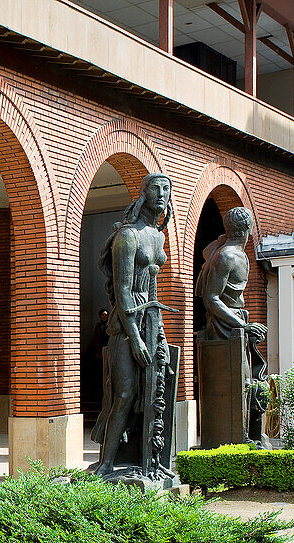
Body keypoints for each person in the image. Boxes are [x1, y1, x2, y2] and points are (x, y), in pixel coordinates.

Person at [91, 173, 177, 481]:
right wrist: (136, 337)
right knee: (124, 394)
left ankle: (151, 461)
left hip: (152, 318)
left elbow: (152, 289)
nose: (162, 194)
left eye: (167, 189)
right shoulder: (129, 235)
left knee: (157, 388)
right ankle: (105, 464)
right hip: (126, 322)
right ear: (143, 194)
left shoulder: (159, 236)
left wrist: (158, 332)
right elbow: (124, 289)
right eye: (156, 188)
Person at [195, 206, 268, 442]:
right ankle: (238, 435)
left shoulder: (234, 252)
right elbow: (211, 299)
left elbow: (208, 250)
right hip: (224, 327)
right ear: (247, 228)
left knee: (251, 381)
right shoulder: (226, 256)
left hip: (236, 322)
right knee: (242, 381)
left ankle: (246, 433)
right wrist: (243, 325)